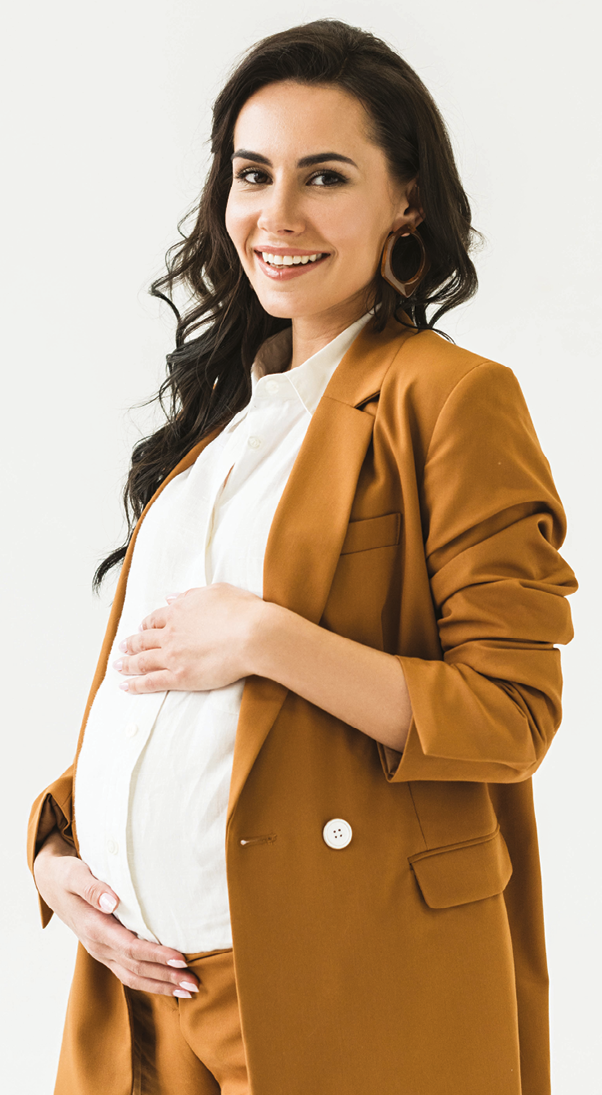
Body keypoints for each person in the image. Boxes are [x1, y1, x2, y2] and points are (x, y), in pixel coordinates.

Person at [28, 17, 577, 1095]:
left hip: (327, 983)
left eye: (323, 177)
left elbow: (509, 716)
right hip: (138, 996)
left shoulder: (448, 398)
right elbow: (157, 694)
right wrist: (58, 855)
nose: (275, 217)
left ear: (404, 201)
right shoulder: (216, 431)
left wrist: (269, 637)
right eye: (251, 174)